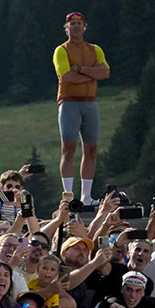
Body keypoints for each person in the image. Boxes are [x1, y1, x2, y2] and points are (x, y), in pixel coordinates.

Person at [54, 12, 110, 206]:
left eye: (79, 24)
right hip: (69, 102)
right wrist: (92, 74)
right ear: (67, 28)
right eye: (72, 24)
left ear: (84, 27)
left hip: (90, 101)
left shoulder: (95, 49)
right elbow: (67, 76)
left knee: (91, 149)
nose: (76, 27)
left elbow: (105, 72)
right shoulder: (61, 50)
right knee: (68, 149)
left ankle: (86, 196)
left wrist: (81, 69)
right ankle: (68, 194)